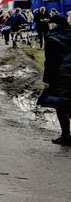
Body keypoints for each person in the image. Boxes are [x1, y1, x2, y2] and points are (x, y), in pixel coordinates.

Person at [41, 13, 71, 146]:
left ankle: (65, 136)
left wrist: (46, 80)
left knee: (62, 105)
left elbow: (50, 62)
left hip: (60, 75)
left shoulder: (51, 38)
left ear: (55, 24)